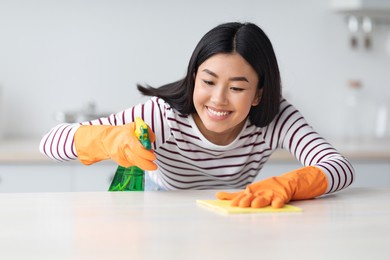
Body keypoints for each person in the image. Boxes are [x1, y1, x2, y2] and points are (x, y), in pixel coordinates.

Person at [39, 22, 354, 208]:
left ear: (259, 93)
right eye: (208, 81)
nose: (218, 99)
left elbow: (340, 168)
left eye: (237, 87)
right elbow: (50, 143)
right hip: (162, 207)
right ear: (193, 77)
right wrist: (104, 139)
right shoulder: (163, 115)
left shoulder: (277, 118)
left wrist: (293, 184)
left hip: (231, 210)